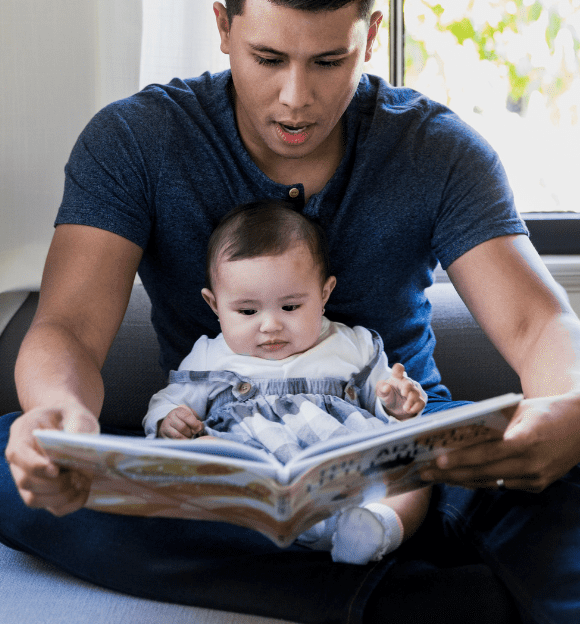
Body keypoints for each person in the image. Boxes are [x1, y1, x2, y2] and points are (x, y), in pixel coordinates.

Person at [0, 0, 580, 623]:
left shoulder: (438, 150)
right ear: (223, 28)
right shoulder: (136, 141)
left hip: (404, 458)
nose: (295, 99)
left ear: (370, 37)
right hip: (223, 459)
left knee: (550, 480)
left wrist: (578, 401)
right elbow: (70, 329)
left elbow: (539, 326)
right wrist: (58, 421)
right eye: (268, 58)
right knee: (0, 464)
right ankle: (410, 605)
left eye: (328, 61)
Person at [144, 199, 431, 565]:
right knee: (198, 462)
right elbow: (169, 401)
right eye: (247, 311)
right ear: (214, 305)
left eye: (291, 307)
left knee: (415, 471)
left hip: (346, 475)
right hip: (252, 482)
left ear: (324, 295)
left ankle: (376, 528)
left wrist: (397, 406)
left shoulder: (350, 344)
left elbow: (383, 398)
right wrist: (170, 420)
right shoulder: (208, 355)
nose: (270, 326)